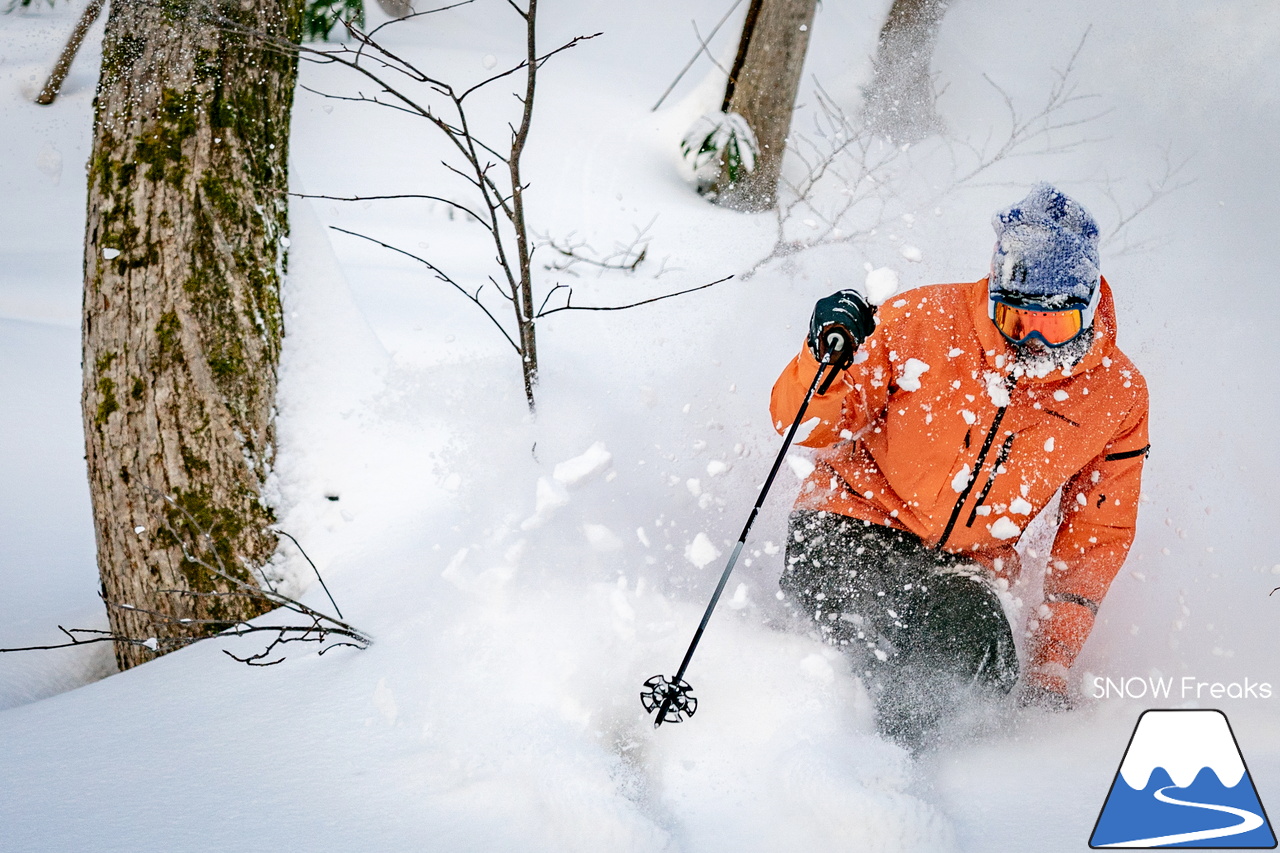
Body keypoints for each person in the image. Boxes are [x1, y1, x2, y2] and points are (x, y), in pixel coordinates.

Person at [769, 184, 1149, 747]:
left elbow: (1095, 535)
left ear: (1091, 306)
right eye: (1016, 320)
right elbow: (805, 426)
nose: (1035, 343)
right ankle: (803, 738)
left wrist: (1052, 661)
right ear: (993, 292)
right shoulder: (920, 320)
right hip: (851, 522)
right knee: (849, 633)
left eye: (1057, 326)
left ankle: (892, 769)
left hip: (965, 565)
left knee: (978, 669)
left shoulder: (1115, 396)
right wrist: (823, 359)